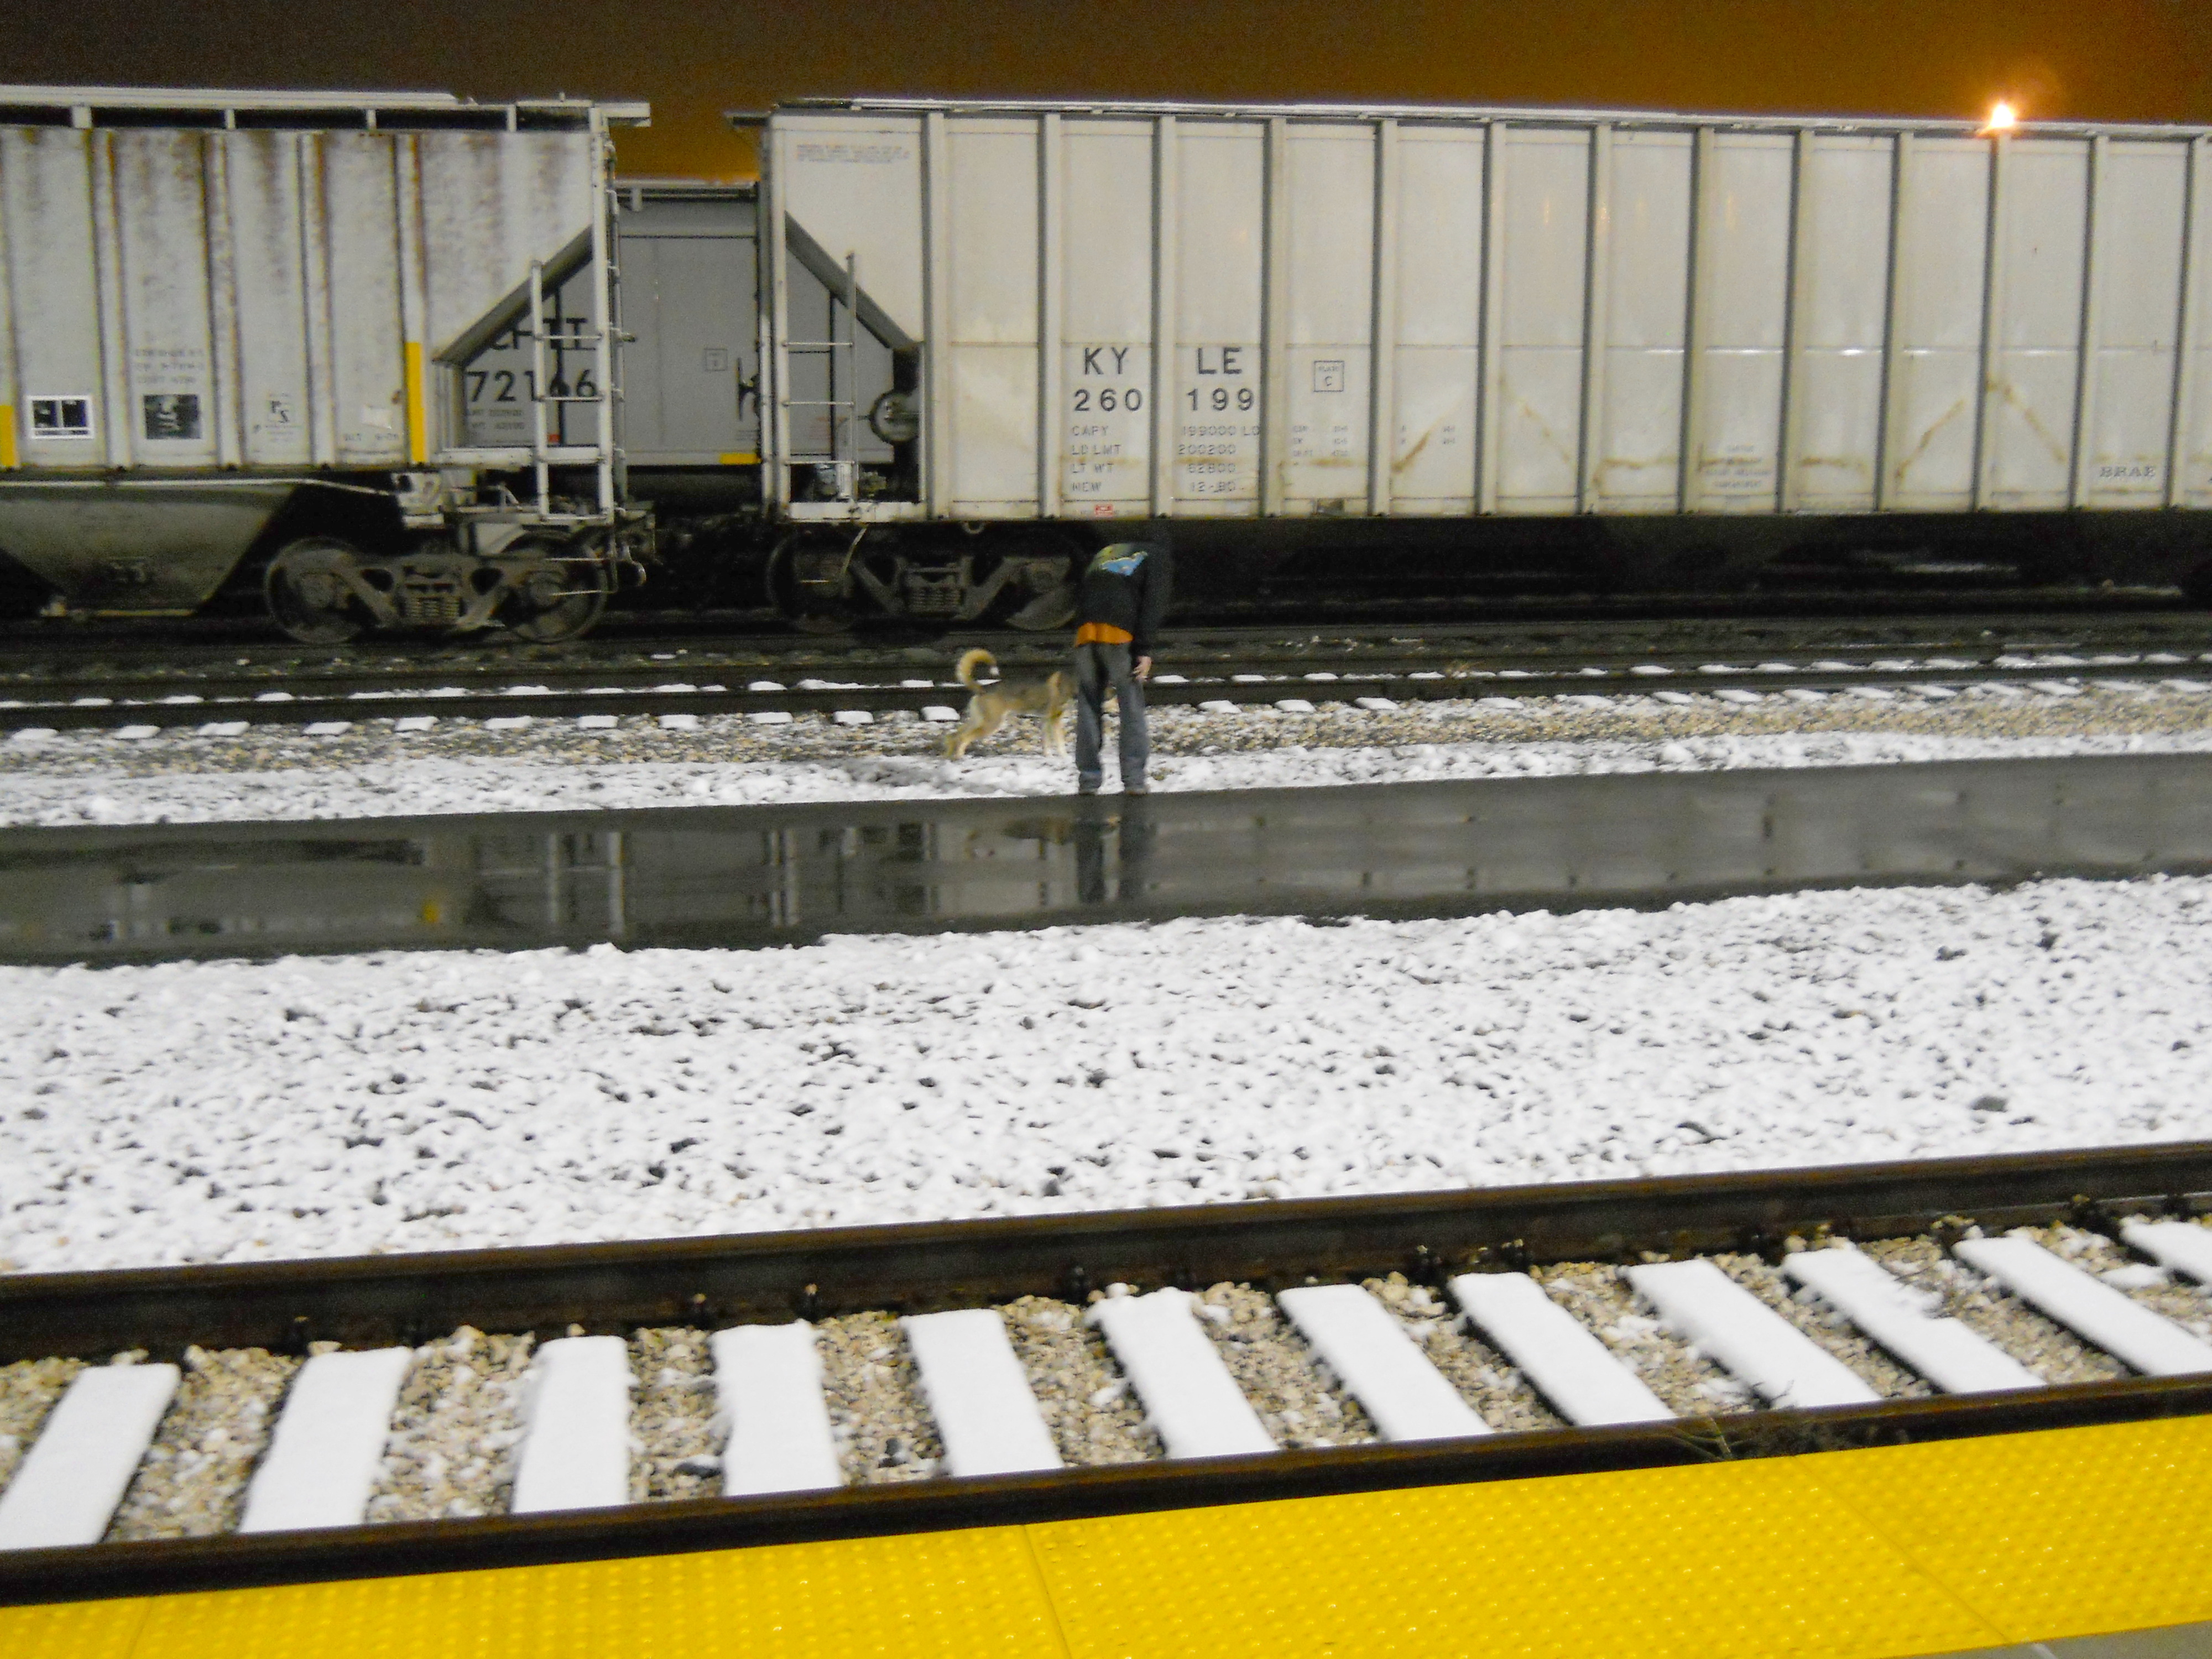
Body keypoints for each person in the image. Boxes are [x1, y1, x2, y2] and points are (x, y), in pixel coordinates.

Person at [1071, 524, 1172, 795]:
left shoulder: (1108, 551)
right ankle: (1134, 780)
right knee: (1131, 705)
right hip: (1118, 634)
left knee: (1089, 704)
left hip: (1085, 631)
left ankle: (1088, 780)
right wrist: (1144, 649)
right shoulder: (1158, 557)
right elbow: (1153, 603)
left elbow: (1081, 590)